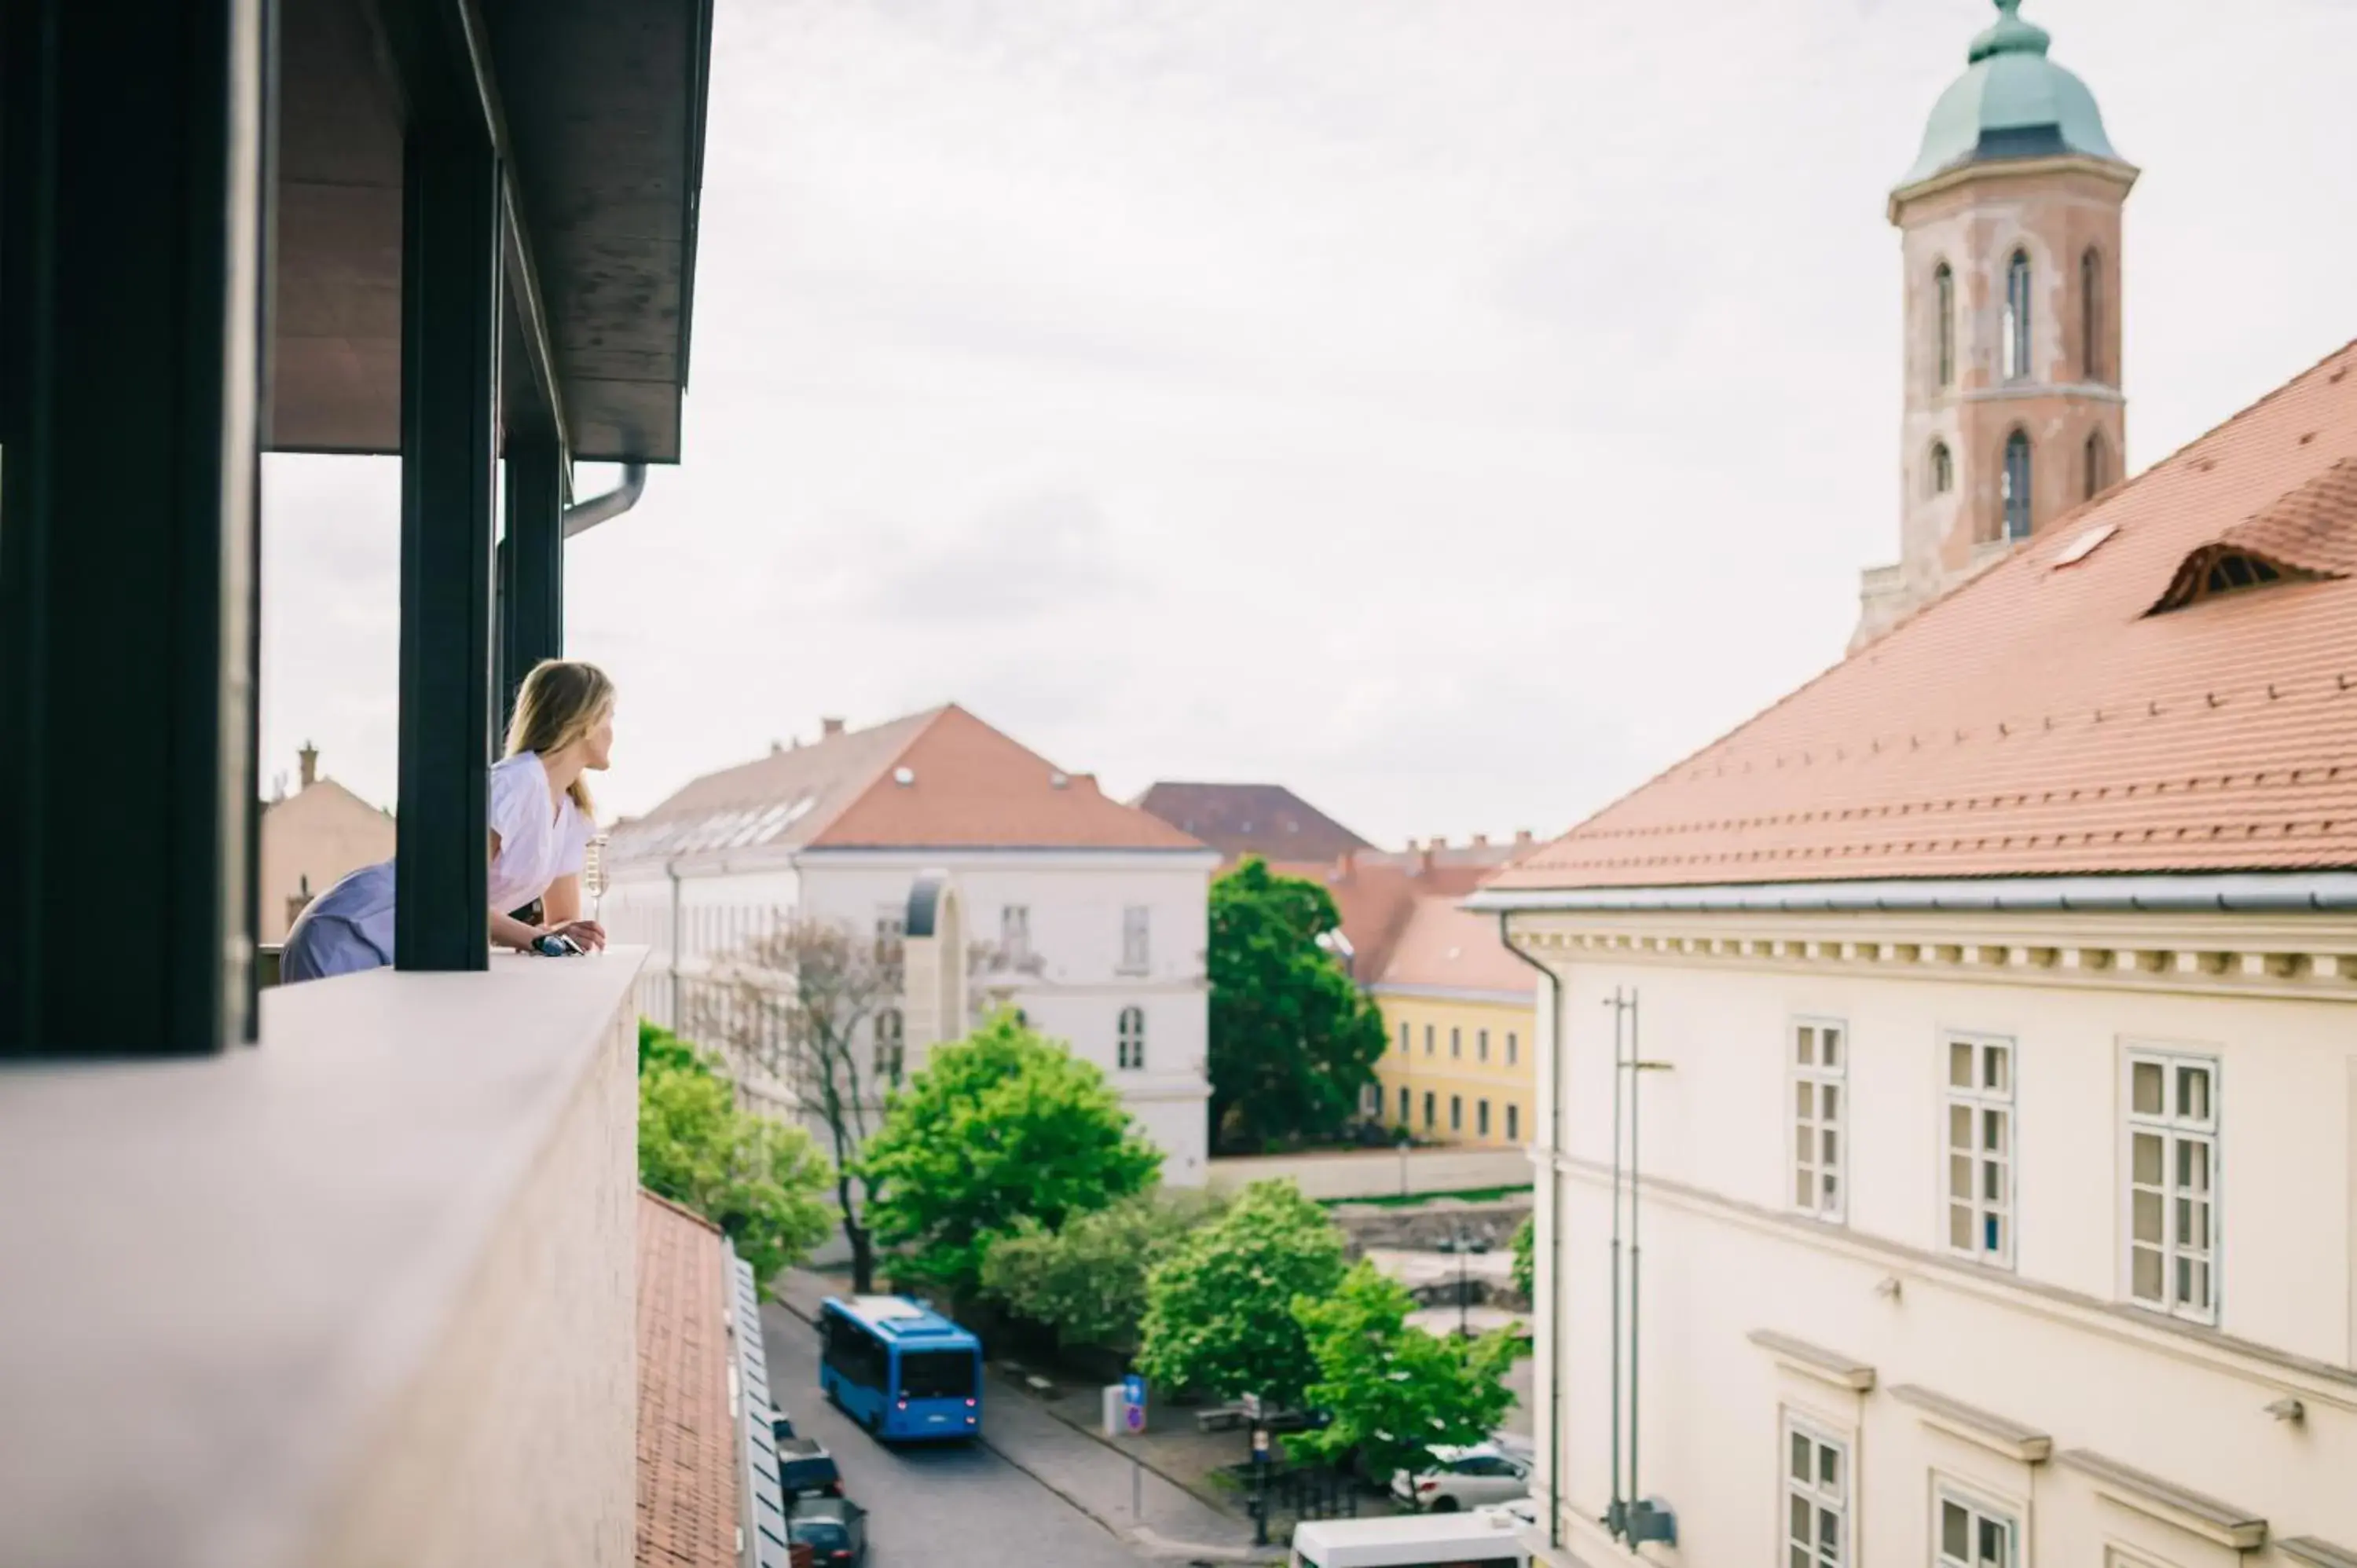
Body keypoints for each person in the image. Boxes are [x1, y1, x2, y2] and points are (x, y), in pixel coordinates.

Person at [280, 659, 614, 982]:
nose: (612, 733)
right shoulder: (514, 785)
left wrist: (557, 936)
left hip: (414, 947)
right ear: (585, 723)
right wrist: (537, 940)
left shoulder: (570, 813)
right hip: (355, 932)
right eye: (609, 717)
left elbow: (564, 924)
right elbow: (453, 896)